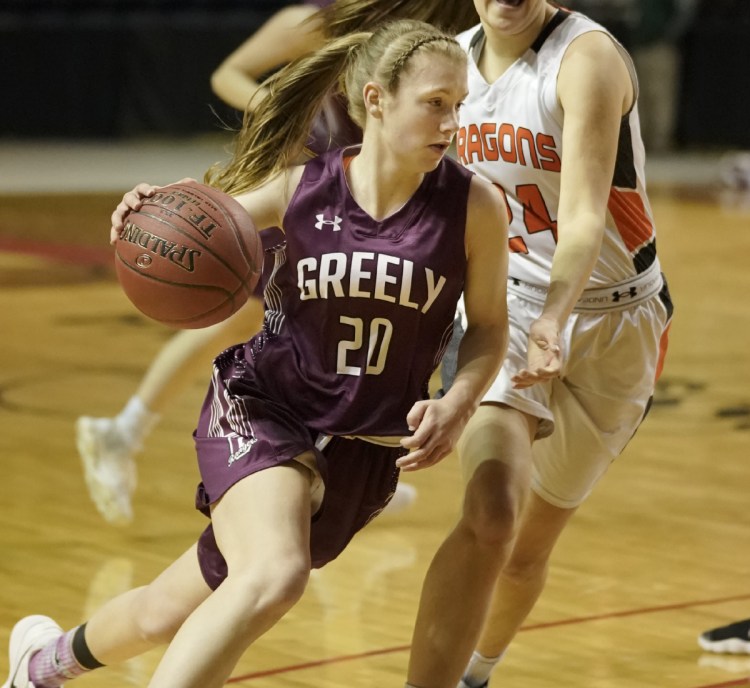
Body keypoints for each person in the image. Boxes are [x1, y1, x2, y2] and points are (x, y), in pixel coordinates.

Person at [5, 19, 509, 688]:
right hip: (266, 410)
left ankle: (40, 664)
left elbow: (490, 329)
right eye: (436, 102)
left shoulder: (473, 205)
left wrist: (459, 399)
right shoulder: (302, 188)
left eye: (459, 103)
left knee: (167, 610)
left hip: (366, 451)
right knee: (275, 575)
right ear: (378, 99)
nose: (452, 121)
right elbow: (193, 228)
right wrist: (145, 214)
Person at [76, 0, 481, 526]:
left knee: (310, 314)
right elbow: (230, 73)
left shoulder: (434, 38)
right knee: (249, 312)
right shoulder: (319, 19)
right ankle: (128, 430)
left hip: (366, 193)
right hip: (301, 187)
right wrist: (285, 105)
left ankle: (323, 454)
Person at [404, 2, 674, 688]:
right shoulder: (447, 65)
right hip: (507, 311)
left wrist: (559, 316)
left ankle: (475, 675)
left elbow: (582, 218)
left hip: (622, 320)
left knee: (525, 552)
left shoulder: (586, 59)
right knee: (491, 511)